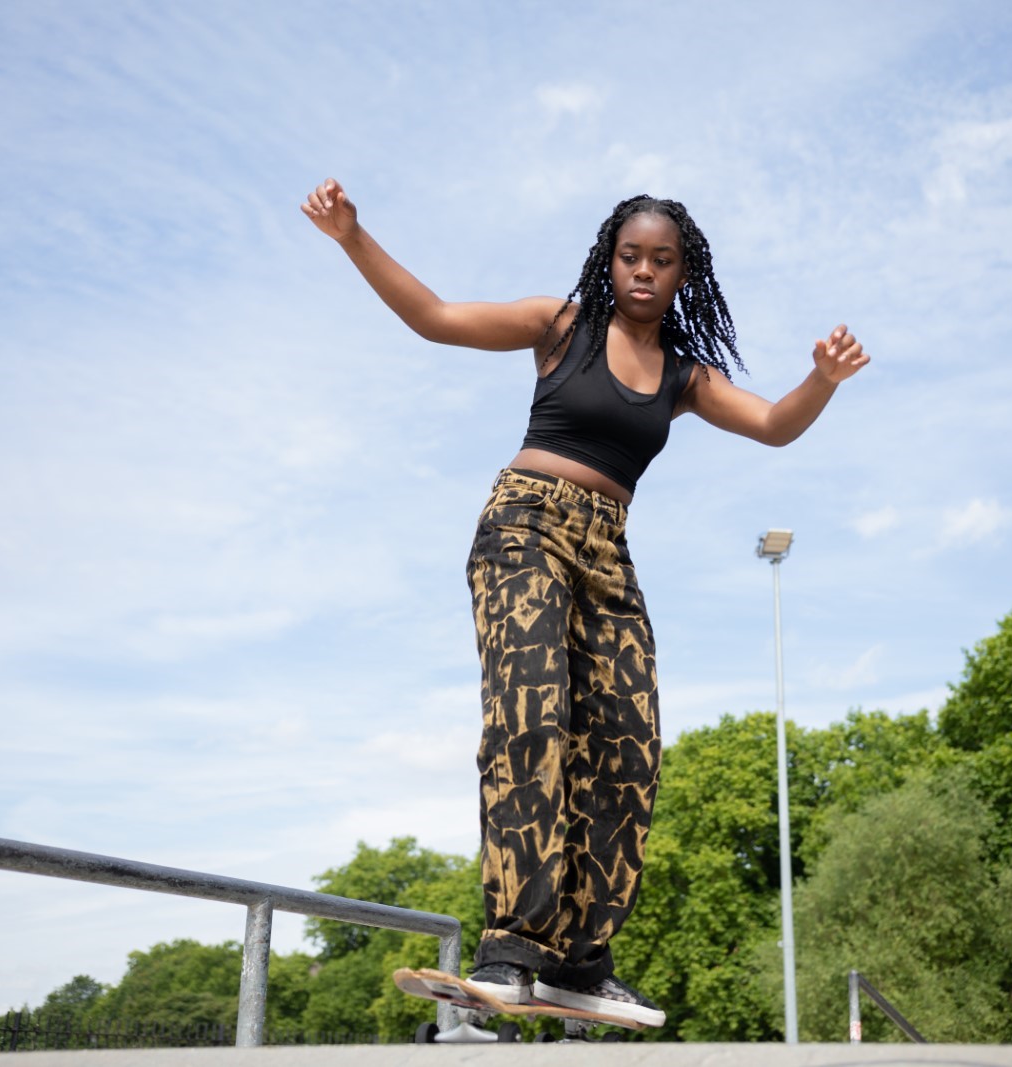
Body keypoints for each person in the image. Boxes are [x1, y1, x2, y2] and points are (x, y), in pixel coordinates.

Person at [300, 178, 870, 1026]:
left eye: (662, 261)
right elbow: (435, 316)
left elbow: (774, 424)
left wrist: (820, 378)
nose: (644, 270)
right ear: (612, 260)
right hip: (524, 525)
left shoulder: (685, 374)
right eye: (631, 255)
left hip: (608, 549)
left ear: (684, 274)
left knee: (629, 743)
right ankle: (512, 943)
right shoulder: (559, 326)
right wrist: (354, 236)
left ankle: (579, 956)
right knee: (534, 718)